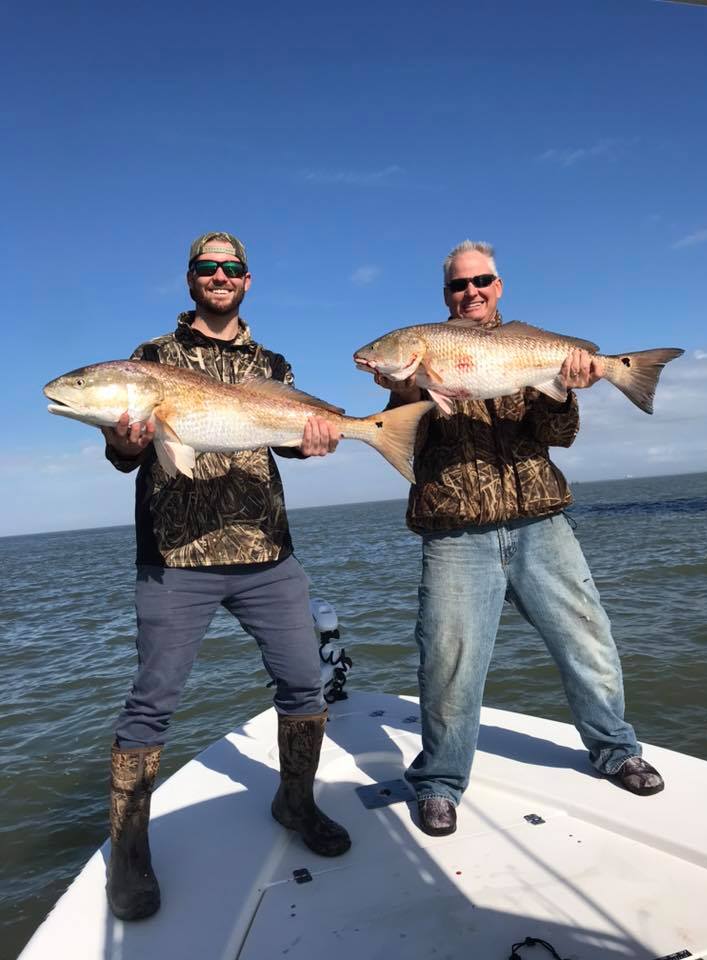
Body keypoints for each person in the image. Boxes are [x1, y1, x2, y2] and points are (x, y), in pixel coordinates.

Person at [375, 239, 664, 838]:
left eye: (481, 281)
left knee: (588, 641)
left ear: (498, 285)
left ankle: (616, 749)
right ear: (445, 297)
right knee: (448, 663)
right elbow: (406, 439)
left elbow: (559, 434)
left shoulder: (528, 347)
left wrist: (576, 381)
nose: (471, 292)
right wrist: (410, 390)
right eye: (459, 285)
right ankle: (439, 782)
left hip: (541, 521)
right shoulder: (416, 368)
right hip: (456, 532)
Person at [101, 231, 350, 921]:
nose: (220, 275)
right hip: (177, 557)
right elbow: (126, 452)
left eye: (231, 267)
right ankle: (128, 851)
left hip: (268, 552)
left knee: (305, 682)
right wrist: (124, 439)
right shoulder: (150, 358)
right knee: (151, 703)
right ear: (190, 280)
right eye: (208, 267)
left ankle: (294, 800)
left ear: (246, 280)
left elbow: (284, 442)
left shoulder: (271, 361)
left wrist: (318, 438)